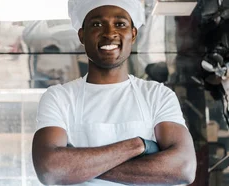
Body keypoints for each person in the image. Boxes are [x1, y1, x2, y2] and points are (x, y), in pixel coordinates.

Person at [31, 0, 197, 185]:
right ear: (82, 35)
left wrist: (77, 167)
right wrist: (137, 146)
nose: (109, 33)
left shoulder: (157, 95)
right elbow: (50, 170)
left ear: (132, 34)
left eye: (120, 24)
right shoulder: (59, 98)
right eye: (96, 24)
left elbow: (184, 168)